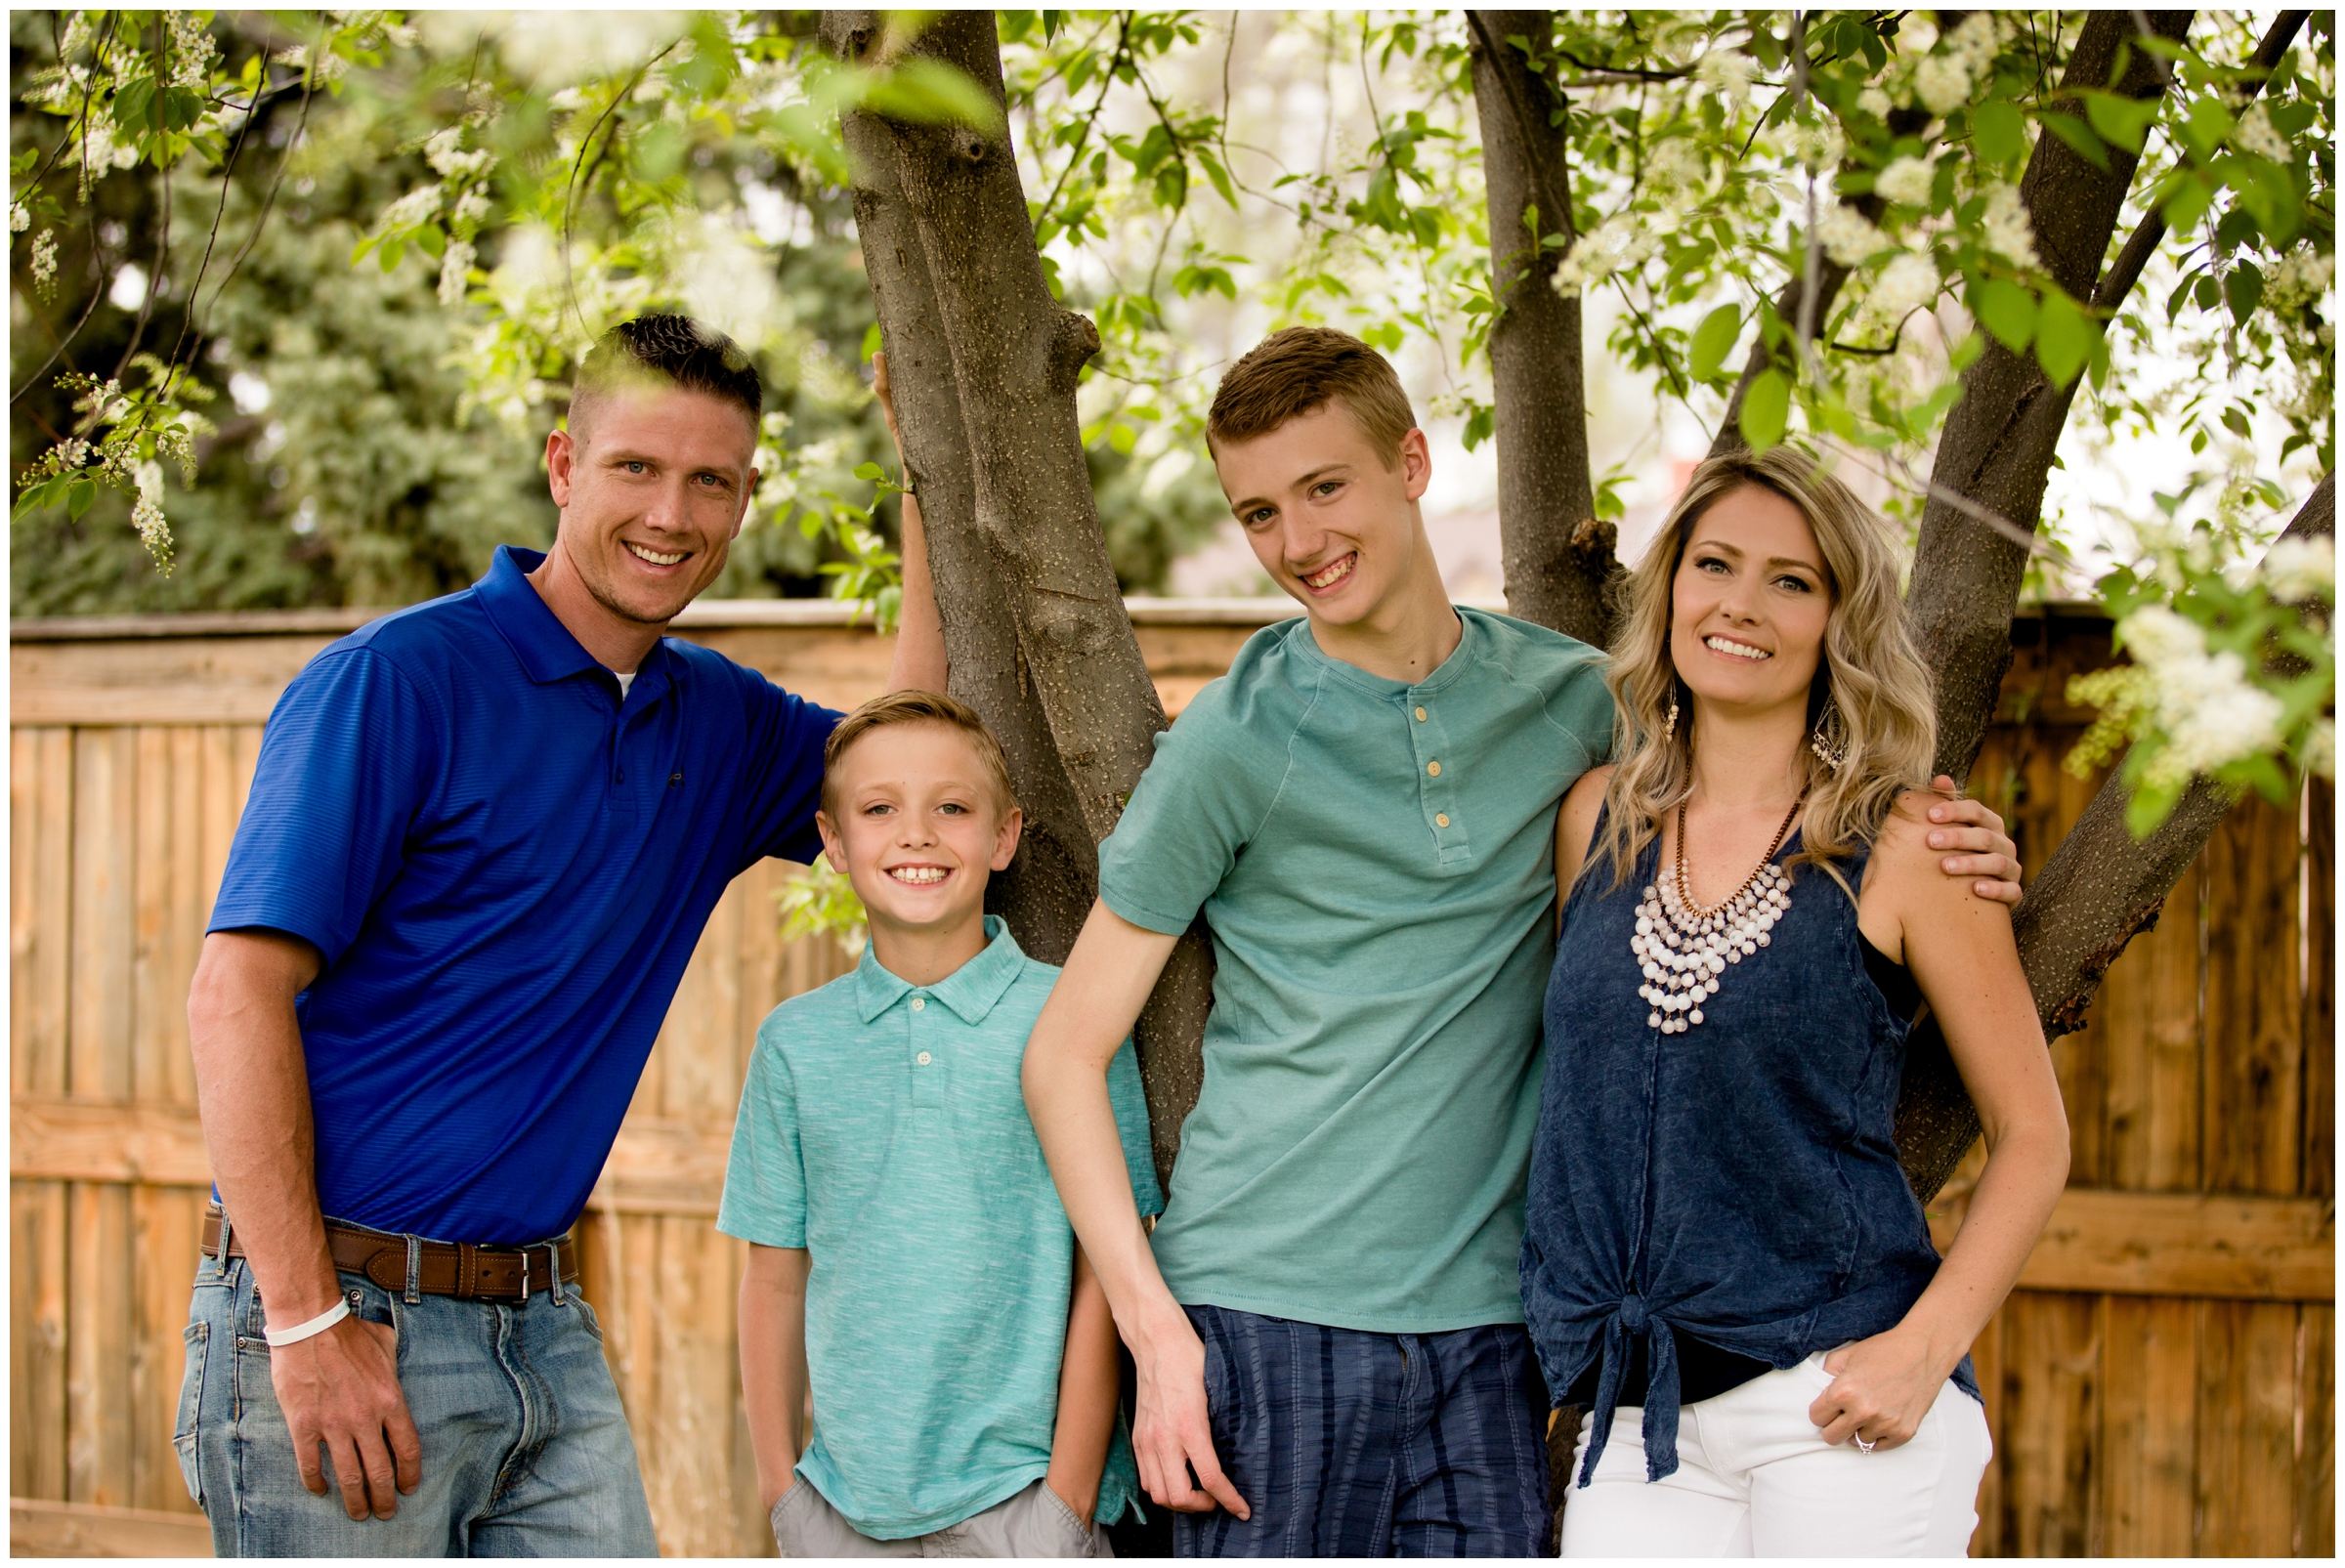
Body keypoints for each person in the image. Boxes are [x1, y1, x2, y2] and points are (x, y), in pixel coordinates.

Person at [1018, 326, 2027, 1557]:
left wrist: (1954, 842)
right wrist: (1155, 1329)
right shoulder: (1233, 745)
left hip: (1500, 1337)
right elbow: (1064, 1054)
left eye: (1325, 488)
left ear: (1412, 462)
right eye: (1259, 512)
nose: (1299, 542)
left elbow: (1760, 755)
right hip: (1269, 1310)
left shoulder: (1576, 707)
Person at [178, 314, 946, 1556]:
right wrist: (306, 1321)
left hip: (543, 1324)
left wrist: (926, 474)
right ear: (562, 467)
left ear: (746, 498)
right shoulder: (401, 681)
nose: (674, 513)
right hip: (344, 1312)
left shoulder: (721, 723)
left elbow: (921, 758)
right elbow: (234, 994)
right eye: (638, 467)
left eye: (713, 481)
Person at [1524, 446, 2071, 1557]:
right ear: (1671, 586)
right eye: (1714, 564)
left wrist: (1922, 1352)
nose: (1740, 603)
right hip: (1637, 1418)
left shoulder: (1914, 845)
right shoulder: (1594, 823)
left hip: (1833, 1400)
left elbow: (2033, 1134)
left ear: (1838, 621)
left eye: (1792, 580)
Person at [723, 690, 1162, 1557]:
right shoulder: (795, 1044)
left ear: (1003, 836)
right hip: (842, 1512)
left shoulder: (1073, 1021)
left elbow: (1102, 1269)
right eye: (880, 808)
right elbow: (772, 1281)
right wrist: (784, 1498)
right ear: (834, 843)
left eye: (951, 807)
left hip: (1023, 1505)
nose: (917, 834)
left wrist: (1066, 1503)